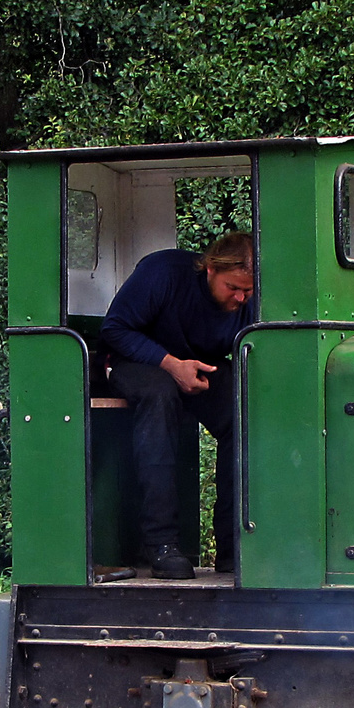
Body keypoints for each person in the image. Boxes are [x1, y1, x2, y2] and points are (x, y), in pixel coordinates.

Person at [101, 232, 255, 579]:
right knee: (160, 397)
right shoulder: (163, 272)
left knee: (244, 406)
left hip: (199, 363)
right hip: (134, 361)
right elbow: (115, 329)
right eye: (234, 288)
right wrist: (171, 364)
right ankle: (162, 545)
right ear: (211, 268)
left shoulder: (247, 299)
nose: (241, 298)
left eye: (248, 290)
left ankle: (233, 547)